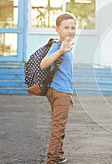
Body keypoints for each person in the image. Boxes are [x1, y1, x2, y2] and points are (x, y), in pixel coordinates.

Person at [40, 12, 76, 164]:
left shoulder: (65, 46)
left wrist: (69, 94)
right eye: (66, 27)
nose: (70, 31)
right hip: (59, 92)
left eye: (73, 27)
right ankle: (52, 160)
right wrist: (61, 50)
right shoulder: (57, 46)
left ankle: (58, 155)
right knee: (58, 127)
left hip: (62, 91)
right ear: (57, 29)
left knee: (59, 124)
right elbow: (43, 64)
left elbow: (64, 72)